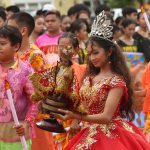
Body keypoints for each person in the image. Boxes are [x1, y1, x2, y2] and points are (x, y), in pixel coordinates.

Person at [52, 11, 150, 150]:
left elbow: (106, 117)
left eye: (96, 53)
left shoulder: (116, 81)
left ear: (109, 52)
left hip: (112, 136)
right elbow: (84, 105)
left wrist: (76, 115)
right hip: (88, 133)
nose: (92, 58)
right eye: (90, 54)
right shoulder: (89, 78)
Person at [7, 12, 55, 150]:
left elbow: (46, 90)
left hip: (34, 118)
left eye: (10, 28)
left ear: (23, 31)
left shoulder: (35, 57)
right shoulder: (12, 53)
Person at [0, 25, 37, 149]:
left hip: (16, 133)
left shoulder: (25, 70)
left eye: (2, 43)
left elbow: (35, 100)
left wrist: (27, 123)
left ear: (15, 46)